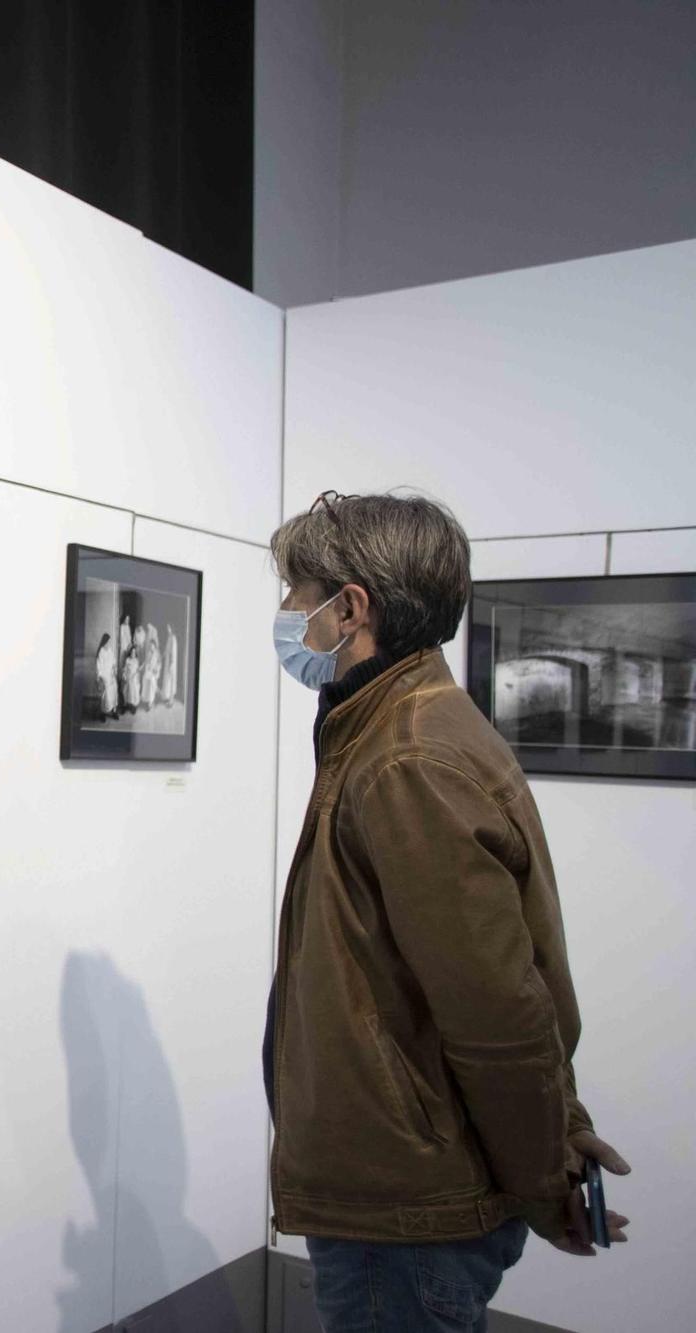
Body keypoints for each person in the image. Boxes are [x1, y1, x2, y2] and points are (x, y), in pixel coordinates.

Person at [265, 491, 630, 1331]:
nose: (288, 615)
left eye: (296, 591)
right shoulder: (398, 722)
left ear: (350, 607)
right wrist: (554, 1139)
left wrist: (544, 1179)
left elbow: (495, 1009)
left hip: (406, 1206)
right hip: (407, 1187)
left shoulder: (406, 756)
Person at [93, 631, 118, 719]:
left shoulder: (110, 650)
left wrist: (114, 669)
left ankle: (113, 710)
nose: (109, 643)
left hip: (110, 674)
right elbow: (98, 666)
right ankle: (103, 712)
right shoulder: (101, 651)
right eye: (108, 642)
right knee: (106, 693)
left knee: (114, 689)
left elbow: (113, 661)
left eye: (110, 642)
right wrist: (100, 677)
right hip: (104, 674)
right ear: (105, 642)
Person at [161, 624, 179, 707]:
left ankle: (171, 701)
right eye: (167, 627)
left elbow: (173, 652)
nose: (167, 629)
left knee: (171, 680)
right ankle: (167, 697)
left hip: (171, 663)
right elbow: (166, 649)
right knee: (167, 680)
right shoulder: (169, 637)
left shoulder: (173, 638)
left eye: (168, 627)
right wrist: (162, 656)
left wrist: (171, 663)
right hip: (167, 661)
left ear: (172, 628)